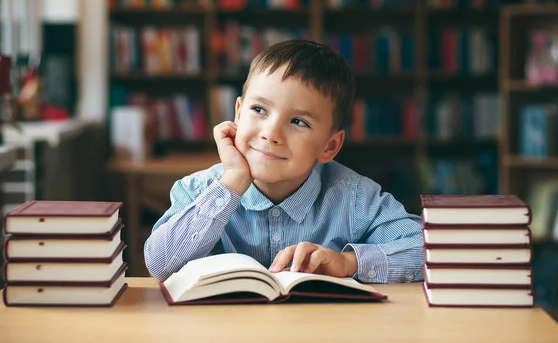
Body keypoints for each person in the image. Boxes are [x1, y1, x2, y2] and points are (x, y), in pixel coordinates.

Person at [144, 40, 424, 283]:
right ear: (238, 114)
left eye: (298, 121)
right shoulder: (198, 191)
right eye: (259, 109)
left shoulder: (356, 199)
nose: (271, 134)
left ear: (329, 146)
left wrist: (348, 262)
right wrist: (232, 183)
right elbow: (159, 265)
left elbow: (428, 250)